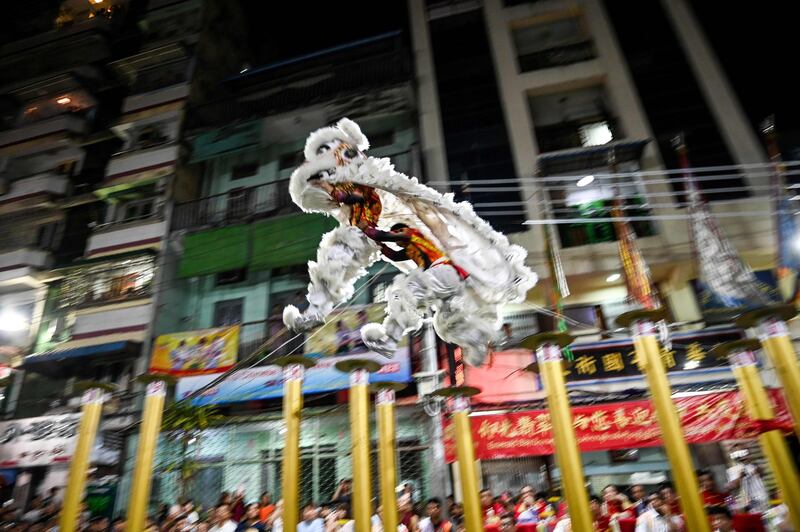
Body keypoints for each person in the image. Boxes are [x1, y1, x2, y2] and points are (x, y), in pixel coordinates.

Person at [726, 443, 769, 513]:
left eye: (744, 451)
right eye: (738, 453)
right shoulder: (733, 470)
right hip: (750, 505)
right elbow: (733, 486)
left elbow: (763, 476)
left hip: (764, 500)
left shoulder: (754, 465)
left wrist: (759, 471)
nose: (742, 455)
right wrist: (741, 476)